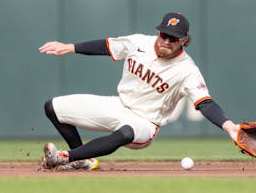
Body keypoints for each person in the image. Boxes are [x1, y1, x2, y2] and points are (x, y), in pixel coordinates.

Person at [38, 12, 239, 170]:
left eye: (174, 38)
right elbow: (107, 46)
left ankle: (65, 157)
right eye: (164, 35)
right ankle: (81, 161)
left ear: (184, 40)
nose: (167, 41)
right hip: (117, 105)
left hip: (145, 122)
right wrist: (69, 47)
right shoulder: (139, 42)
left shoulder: (188, 70)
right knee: (52, 107)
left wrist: (229, 126)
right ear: (159, 32)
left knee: (125, 132)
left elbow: (205, 103)